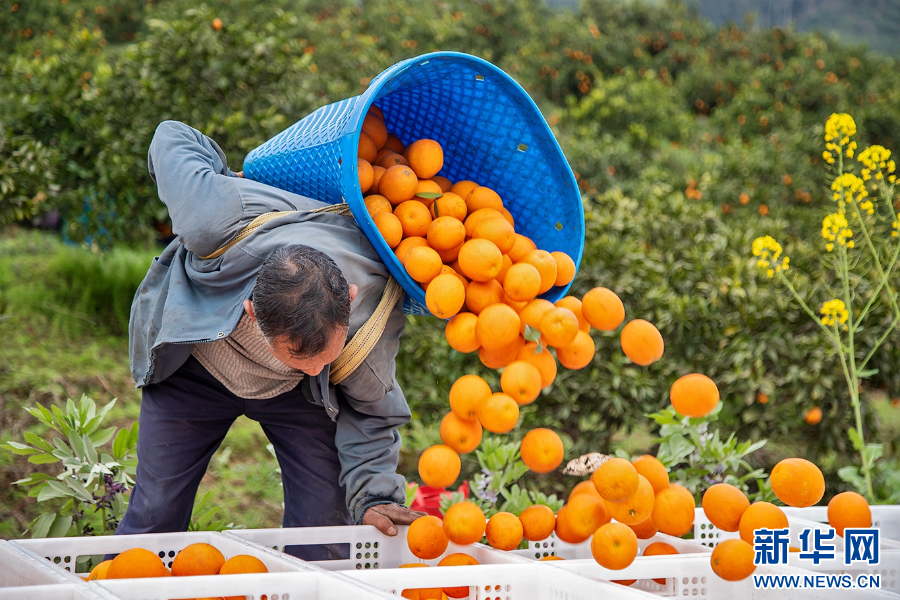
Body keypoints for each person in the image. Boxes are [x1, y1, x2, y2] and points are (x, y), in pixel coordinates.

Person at [117, 120, 424, 554]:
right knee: (154, 516)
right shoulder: (211, 218)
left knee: (324, 533)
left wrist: (375, 496)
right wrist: (225, 179)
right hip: (196, 369)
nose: (320, 367)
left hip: (299, 397)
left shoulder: (367, 320)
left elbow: (373, 410)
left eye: (325, 356)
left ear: (350, 299)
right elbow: (170, 134)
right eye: (303, 357)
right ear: (252, 315)